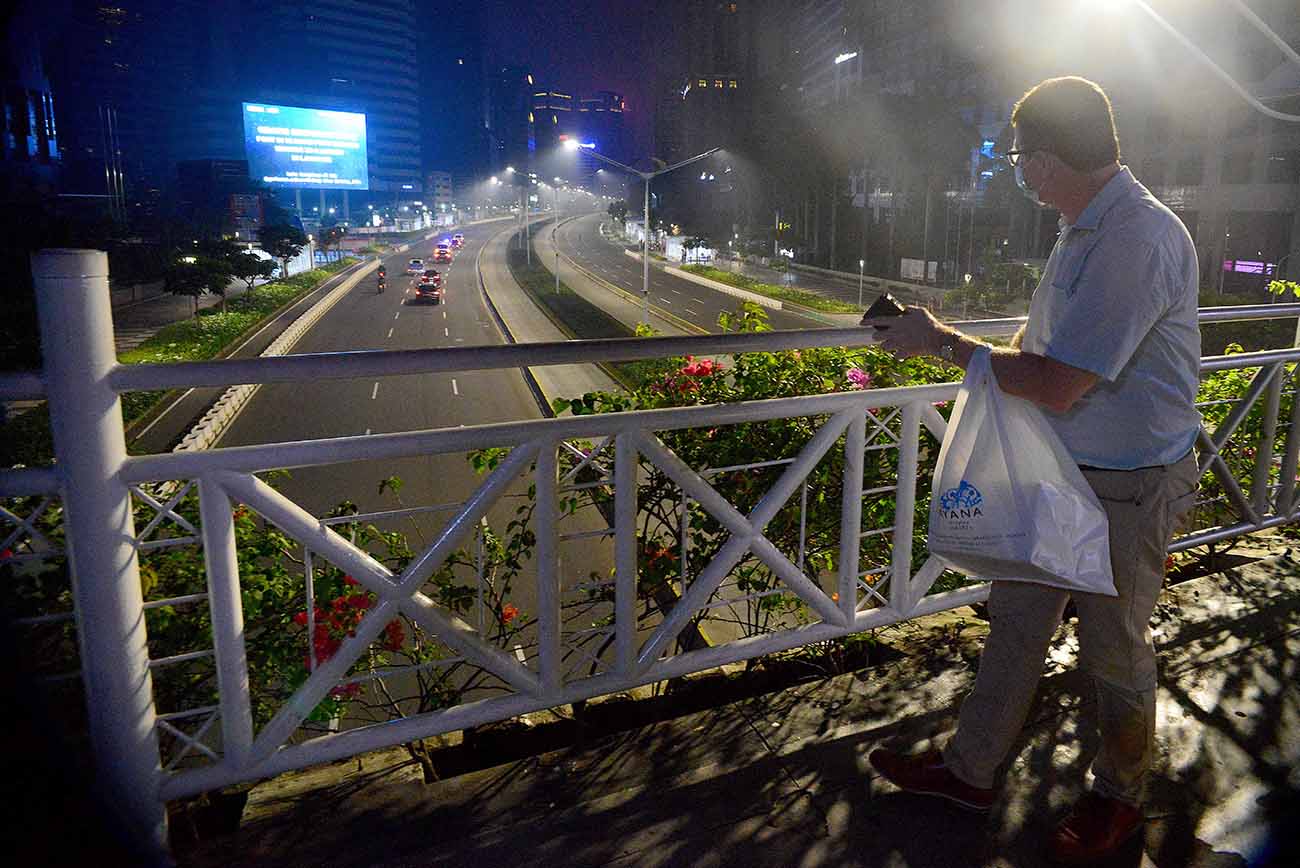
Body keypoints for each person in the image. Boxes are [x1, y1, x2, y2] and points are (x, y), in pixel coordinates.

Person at [861, 76, 1202, 865]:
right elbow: (1043, 340)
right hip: (1067, 470)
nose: (1020, 175)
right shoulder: (1086, 225)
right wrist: (978, 349)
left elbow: (1056, 380)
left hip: (1129, 482)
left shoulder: (1136, 239)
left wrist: (943, 340)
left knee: (1114, 650)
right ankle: (970, 772)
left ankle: (1119, 796)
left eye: (1020, 161)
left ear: (1048, 160)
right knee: (1016, 625)